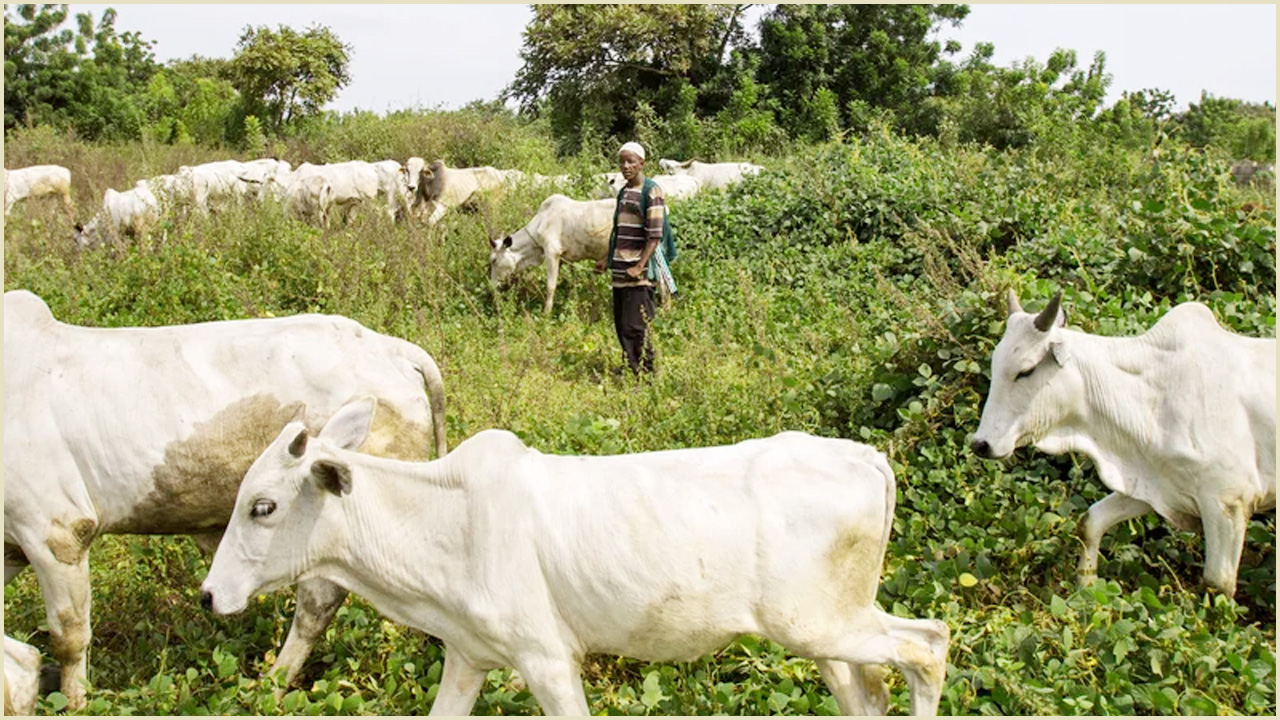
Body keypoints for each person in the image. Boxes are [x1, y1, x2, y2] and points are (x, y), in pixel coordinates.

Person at [596, 141, 669, 375]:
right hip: (620, 269)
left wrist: (640, 265)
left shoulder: (651, 191)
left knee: (637, 325)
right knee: (622, 324)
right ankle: (631, 365)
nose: (625, 166)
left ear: (641, 163)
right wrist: (605, 258)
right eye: (622, 161)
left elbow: (655, 235)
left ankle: (646, 374)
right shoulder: (624, 192)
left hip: (639, 273)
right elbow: (618, 230)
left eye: (631, 161)